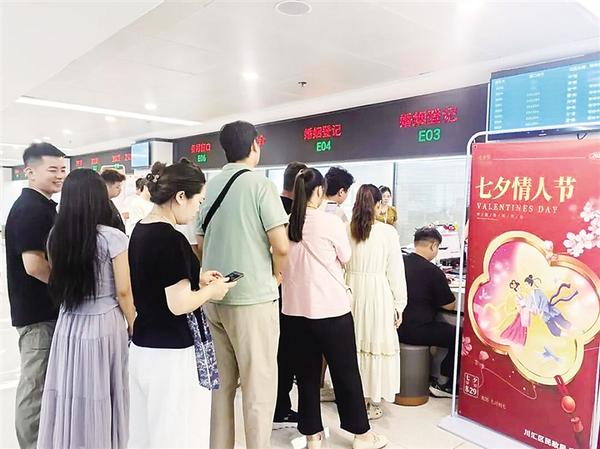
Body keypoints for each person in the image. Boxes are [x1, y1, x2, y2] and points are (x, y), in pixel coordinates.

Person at [128, 160, 235, 448]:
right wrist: (212, 291)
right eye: (198, 201)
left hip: (143, 347)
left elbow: (156, 278)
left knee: (146, 433)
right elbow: (179, 304)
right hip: (171, 354)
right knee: (177, 435)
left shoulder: (141, 229)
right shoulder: (171, 238)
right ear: (180, 197)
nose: (198, 208)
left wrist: (196, 277)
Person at [196, 120, 289, 449]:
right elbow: (281, 245)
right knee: (258, 388)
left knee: (221, 388)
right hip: (253, 300)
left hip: (214, 299)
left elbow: (199, 243)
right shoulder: (260, 185)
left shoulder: (210, 187)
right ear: (254, 146)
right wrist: (275, 275)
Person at [282, 169, 387, 449]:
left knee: (306, 376)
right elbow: (346, 256)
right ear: (319, 191)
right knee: (345, 373)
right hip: (331, 311)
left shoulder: (287, 223)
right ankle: (361, 436)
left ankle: (313, 437)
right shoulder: (330, 222)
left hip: (294, 312)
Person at [37, 169, 136, 449]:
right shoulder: (113, 238)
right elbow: (124, 291)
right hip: (104, 324)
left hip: (68, 323)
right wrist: (133, 323)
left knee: (70, 390)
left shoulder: (56, 237)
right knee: (102, 391)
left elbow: (59, 278)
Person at [5, 142, 66, 449]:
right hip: (36, 314)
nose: (60, 175)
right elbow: (34, 265)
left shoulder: (43, 206)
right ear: (30, 172)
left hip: (44, 310)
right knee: (35, 386)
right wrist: (69, 290)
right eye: (52, 169)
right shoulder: (30, 209)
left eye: (63, 169)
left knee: (43, 383)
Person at [347, 184, 407, 420]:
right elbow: (395, 272)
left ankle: (354, 398)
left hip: (350, 292)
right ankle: (372, 401)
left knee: (353, 345)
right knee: (375, 342)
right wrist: (399, 305)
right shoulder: (387, 233)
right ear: (379, 204)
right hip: (378, 293)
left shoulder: (346, 229)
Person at [397, 227, 457, 397]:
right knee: (460, 337)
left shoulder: (400, 262)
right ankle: (443, 384)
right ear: (433, 245)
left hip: (395, 326)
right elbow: (450, 306)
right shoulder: (433, 272)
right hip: (417, 330)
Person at [274, 161, 306, 429]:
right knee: (285, 354)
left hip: (270, 290)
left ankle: (277, 406)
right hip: (288, 293)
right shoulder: (297, 215)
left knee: (276, 353)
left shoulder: (270, 206)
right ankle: (280, 408)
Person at [101, 169, 127, 233]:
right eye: (117, 187)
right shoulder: (102, 206)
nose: (120, 190)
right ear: (106, 186)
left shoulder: (110, 202)